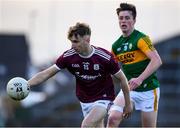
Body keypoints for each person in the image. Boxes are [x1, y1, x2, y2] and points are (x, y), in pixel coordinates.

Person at [27, 22, 132, 127]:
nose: (73, 45)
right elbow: (46, 74)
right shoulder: (68, 57)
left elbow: (123, 79)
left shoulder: (105, 57)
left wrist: (128, 104)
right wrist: (27, 84)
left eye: (76, 42)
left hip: (104, 98)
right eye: (71, 42)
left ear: (87, 40)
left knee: (86, 125)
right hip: (84, 100)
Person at [107, 3, 162, 127]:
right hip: (129, 90)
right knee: (113, 118)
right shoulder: (116, 45)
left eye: (127, 18)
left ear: (134, 20)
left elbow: (157, 60)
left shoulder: (141, 38)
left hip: (148, 90)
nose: (123, 21)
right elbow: (111, 70)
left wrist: (139, 79)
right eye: (121, 18)